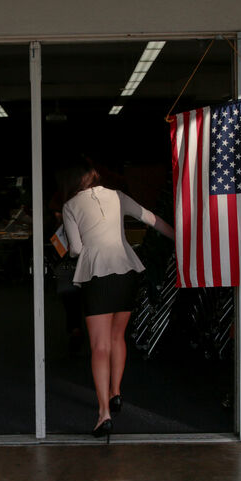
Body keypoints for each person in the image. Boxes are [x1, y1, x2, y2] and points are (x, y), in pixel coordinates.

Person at [60, 158, 174, 440]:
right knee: (117, 337)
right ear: (94, 175)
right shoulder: (118, 196)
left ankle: (103, 414)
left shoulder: (70, 206)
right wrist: (181, 238)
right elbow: (151, 219)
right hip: (126, 271)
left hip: (97, 275)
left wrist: (73, 246)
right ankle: (116, 392)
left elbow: (76, 249)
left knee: (99, 346)